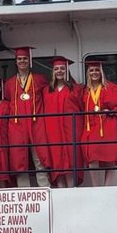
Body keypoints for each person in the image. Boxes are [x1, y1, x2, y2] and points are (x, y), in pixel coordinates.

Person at [3, 47, 51, 187]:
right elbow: (8, 101)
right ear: (16, 62)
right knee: (19, 159)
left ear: (29, 61)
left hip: (37, 124)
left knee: (40, 158)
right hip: (17, 125)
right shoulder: (10, 83)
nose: (22, 61)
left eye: (24, 58)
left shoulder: (39, 79)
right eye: (19, 59)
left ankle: (44, 189)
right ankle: (23, 191)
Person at [80, 59, 117, 187]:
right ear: (88, 73)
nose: (94, 72)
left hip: (107, 125)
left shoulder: (110, 88)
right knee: (92, 156)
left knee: (110, 156)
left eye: (97, 70)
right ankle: (97, 187)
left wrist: (112, 111)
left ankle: (107, 187)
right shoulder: (84, 91)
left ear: (101, 72)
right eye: (91, 70)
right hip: (91, 127)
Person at [42, 57, 84, 187]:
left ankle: (72, 189)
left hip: (71, 129)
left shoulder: (77, 89)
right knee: (57, 160)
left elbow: (83, 108)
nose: (59, 71)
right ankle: (61, 190)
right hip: (53, 131)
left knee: (71, 159)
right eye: (56, 69)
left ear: (67, 70)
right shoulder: (47, 91)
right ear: (53, 72)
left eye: (62, 68)